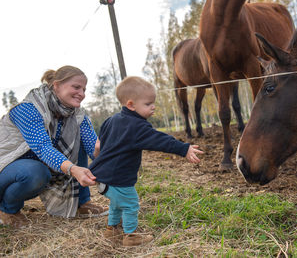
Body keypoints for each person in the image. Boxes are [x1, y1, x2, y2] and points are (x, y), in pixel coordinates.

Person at [89, 76, 203, 247]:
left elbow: (101, 144)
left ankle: (111, 230)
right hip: (119, 179)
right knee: (130, 204)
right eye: (148, 104)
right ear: (131, 105)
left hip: (102, 177)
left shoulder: (110, 120)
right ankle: (131, 236)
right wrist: (183, 148)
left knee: (117, 204)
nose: (153, 107)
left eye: (153, 103)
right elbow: (160, 140)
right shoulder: (137, 126)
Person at [0, 65, 108, 228]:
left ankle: (81, 203)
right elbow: (43, 148)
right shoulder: (28, 109)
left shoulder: (77, 114)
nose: (82, 94)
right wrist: (73, 169)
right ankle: (7, 210)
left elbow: (93, 146)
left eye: (84, 89)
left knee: (76, 143)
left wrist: (111, 155)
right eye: (76, 87)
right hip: (8, 167)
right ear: (56, 85)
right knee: (35, 172)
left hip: (41, 164)